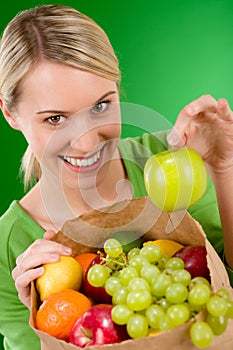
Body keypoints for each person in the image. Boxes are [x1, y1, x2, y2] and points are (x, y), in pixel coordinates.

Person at [0, 4, 232, 350]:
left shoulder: (169, 161)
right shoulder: (10, 248)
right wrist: (35, 310)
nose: (85, 141)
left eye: (100, 106)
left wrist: (224, 169)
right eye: (55, 119)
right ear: (11, 114)